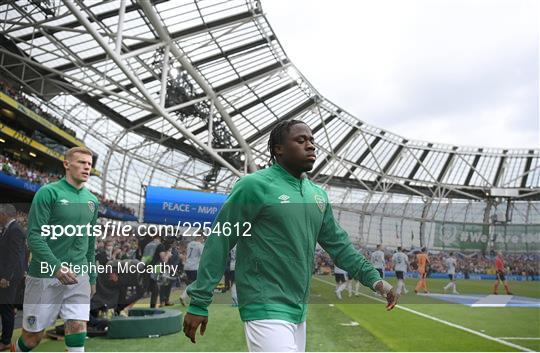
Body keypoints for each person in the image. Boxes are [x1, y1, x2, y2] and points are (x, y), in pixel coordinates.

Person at [182, 120, 396, 352]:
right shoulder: (254, 186)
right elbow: (220, 240)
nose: (311, 146)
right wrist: (199, 302)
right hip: (263, 302)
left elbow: (340, 247)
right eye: (301, 140)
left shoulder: (318, 196)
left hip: (298, 309)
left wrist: (376, 281)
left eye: (312, 140)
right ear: (278, 149)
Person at [12, 147, 99, 352]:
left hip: (79, 275)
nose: (87, 167)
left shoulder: (92, 201)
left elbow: (90, 242)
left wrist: (92, 277)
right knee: (32, 338)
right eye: (81, 162)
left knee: (77, 327)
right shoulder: (48, 193)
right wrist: (56, 267)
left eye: (89, 164)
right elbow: (34, 237)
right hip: (44, 275)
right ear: (67, 164)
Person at [0, 204, 26, 351]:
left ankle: (6, 341)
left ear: (4, 214)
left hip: (9, 277)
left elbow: (15, 256)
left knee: (6, 307)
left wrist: (6, 277)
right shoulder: (9, 229)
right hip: (7, 274)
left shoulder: (15, 230)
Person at [179, 236, 204, 306]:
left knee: (191, 284)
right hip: (195, 267)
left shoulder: (189, 244)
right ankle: (185, 297)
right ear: (201, 238)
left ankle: (188, 297)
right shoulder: (200, 245)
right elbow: (203, 256)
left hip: (187, 266)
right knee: (196, 284)